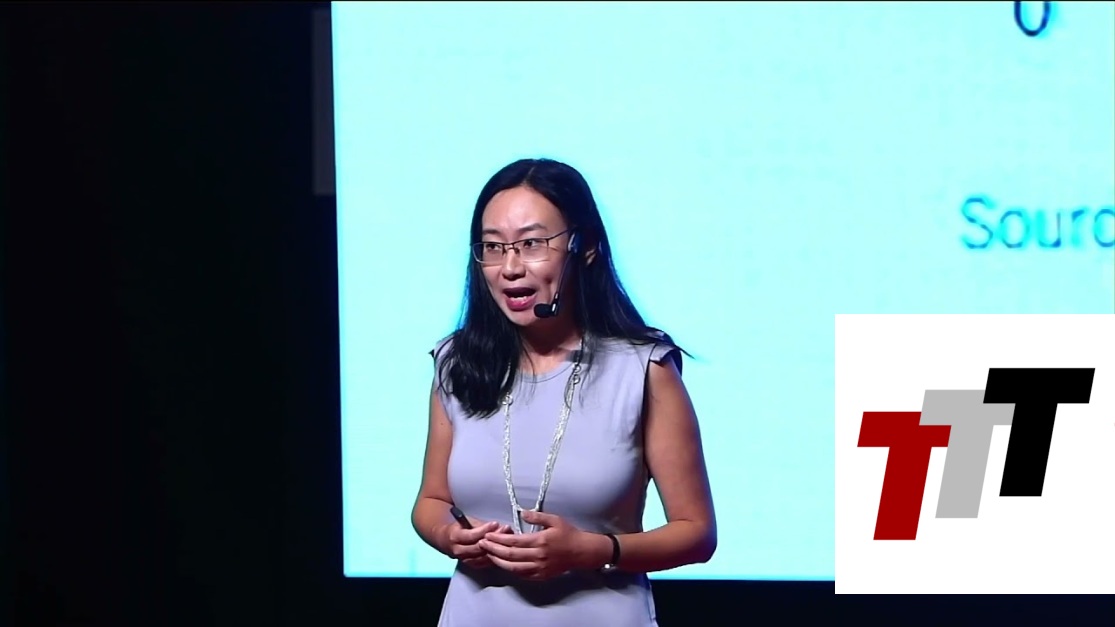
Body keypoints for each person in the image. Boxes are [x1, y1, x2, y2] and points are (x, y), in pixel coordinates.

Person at [411, 157, 716, 626]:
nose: (510, 267)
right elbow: (430, 501)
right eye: (493, 247)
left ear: (584, 246)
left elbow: (696, 534)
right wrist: (449, 536)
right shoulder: (456, 362)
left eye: (532, 244)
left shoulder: (644, 369)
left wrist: (594, 550)